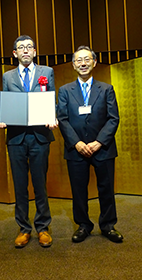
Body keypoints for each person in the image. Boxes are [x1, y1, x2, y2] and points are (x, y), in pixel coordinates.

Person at [0, 35, 57, 248]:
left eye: (29, 47)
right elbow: (8, 101)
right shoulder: (8, 76)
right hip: (16, 137)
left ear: (35, 51)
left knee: (40, 184)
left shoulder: (46, 72)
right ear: (15, 53)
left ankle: (43, 227)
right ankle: (23, 228)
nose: (25, 51)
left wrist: (52, 116)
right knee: (20, 185)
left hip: (40, 136)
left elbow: (50, 99)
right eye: (21, 47)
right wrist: (3, 118)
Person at [57, 46, 123, 243]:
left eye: (87, 59)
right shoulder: (64, 90)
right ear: (73, 65)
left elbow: (113, 119)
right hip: (75, 149)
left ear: (94, 63)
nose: (83, 63)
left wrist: (99, 142)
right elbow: (62, 119)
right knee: (78, 190)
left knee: (106, 189)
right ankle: (83, 225)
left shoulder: (106, 89)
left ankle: (108, 225)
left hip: (103, 148)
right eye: (79, 60)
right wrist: (76, 143)